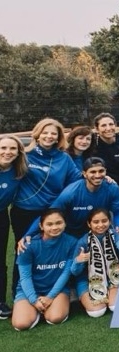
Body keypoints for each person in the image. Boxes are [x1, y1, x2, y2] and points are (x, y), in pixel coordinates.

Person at [11, 118, 82, 247]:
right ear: (38, 134)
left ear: (58, 138)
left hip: (51, 211)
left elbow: (77, 179)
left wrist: (103, 177)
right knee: (24, 247)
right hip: (24, 211)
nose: (49, 136)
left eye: (53, 134)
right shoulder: (25, 155)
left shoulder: (64, 158)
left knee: (50, 248)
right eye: (45, 132)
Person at [11, 209, 78, 330]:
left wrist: (50, 297)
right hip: (30, 290)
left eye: (59, 223)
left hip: (57, 290)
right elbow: (25, 277)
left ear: (65, 224)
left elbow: (66, 273)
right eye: (49, 224)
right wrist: (33, 300)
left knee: (55, 317)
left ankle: (48, 308)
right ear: (41, 226)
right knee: (21, 324)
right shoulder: (27, 245)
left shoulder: (72, 242)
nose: (54, 227)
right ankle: (34, 310)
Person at [75, 207, 119, 317]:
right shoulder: (83, 241)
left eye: (104, 221)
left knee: (115, 306)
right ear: (89, 224)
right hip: (88, 279)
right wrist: (78, 261)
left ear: (110, 221)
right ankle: (104, 293)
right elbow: (75, 272)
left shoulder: (115, 235)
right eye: (96, 222)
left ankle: (111, 291)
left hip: (113, 274)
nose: (101, 225)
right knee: (96, 312)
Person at [0, 135, 29, 317]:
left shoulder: (19, 171)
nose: (7, 152)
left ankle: (0, 302)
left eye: (12, 148)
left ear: (19, 152)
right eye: (3, 148)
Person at [91, 113, 119, 200]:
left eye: (111, 124)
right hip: (102, 191)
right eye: (103, 125)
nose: (108, 128)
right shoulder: (92, 147)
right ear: (97, 129)